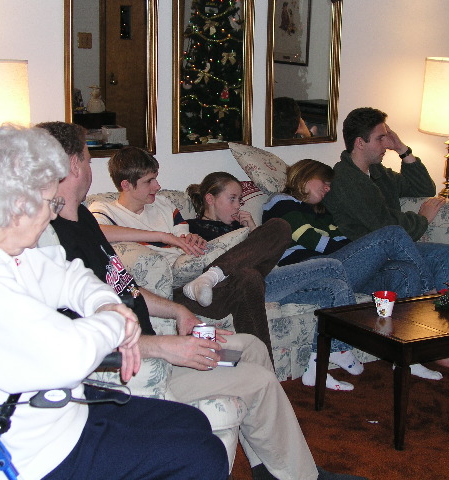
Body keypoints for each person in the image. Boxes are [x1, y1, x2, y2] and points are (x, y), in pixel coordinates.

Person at [36, 121, 367, 480]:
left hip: (161, 342)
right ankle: (302, 478)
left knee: (252, 347)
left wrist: (178, 310)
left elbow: (127, 288)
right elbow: (77, 340)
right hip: (138, 370)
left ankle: (270, 467)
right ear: (73, 165)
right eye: (87, 159)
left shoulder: (83, 218)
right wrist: (166, 346)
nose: (89, 167)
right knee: (261, 380)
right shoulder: (49, 243)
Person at [0, 124, 229, 480]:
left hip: (60, 412)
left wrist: (107, 305)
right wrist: (118, 322)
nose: (53, 215)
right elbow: (68, 356)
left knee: (191, 422)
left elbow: (68, 274)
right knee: (200, 455)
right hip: (30, 453)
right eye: (50, 203)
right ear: (20, 203)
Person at [263, 159, 449, 379]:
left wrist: (366, 254)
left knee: (406, 271)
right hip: (311, 272)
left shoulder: (322, 211)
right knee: (392, 234)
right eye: (324, 182)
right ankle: (429, 293)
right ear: (306, 176)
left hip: (343, 267)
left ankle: (406, 354)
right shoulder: (280, 201)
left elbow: (341, 241)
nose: (328, 188)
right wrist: (367, 250)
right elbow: (313, 240)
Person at [88, 146, 292, 357]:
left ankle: (261, 369)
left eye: (156, 178)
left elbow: (184, 242)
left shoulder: (165, 205)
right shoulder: (103, 209)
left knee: (276, 233)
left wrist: (191, 239)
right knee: (250, 275)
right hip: (174, 294)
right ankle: (212, 278)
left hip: (201, 281)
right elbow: (96, 232)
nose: (157, 186)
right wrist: (161, 236)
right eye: (149, 181)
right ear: (126, 185)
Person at [186, 171, 365, 391]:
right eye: (231, 199)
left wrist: (253, 230)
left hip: (270, 279)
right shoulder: (191, 228)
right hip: (243, 286)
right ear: (210, 199)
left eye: (239, 200)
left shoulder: (241, 226)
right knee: (331, 265)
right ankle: (339, 348)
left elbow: (268, 259)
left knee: (335, 288)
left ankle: (316, 367)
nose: (237, 206)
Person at [322, 106, 449, 289]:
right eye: (380, 138)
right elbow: (384, 225)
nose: (386, 144)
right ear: (360, 143)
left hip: (395, 250)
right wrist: (423, 219)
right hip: (371, 258)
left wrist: (402, 149)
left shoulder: (377, 173)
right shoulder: (344, 179)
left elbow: (424, 188)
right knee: (446, 254)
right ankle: (442, 313)